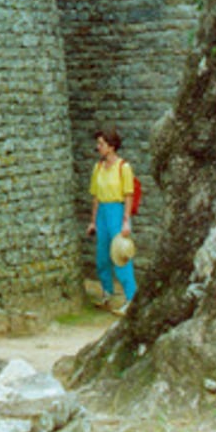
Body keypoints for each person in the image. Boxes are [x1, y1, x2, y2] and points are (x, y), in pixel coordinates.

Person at [86, 127, 137, 314]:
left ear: (112, 146)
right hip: (102, 213)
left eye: (101, 144)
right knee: (102, 256)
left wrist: (126, 221)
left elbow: (129, 195)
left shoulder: (124, 167)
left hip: (117, 210)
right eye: (98, 143)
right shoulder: (98, 168)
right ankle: (107, 292)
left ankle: (131, 298)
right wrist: (93, 221)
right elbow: (95, 197)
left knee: (120, 256)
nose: (98, 147)